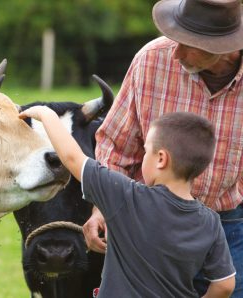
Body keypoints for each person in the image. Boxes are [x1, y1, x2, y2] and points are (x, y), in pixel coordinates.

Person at [82, 0, 243, 296]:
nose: (176, 52)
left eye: (189, 44)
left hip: (228, 225)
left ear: (224, 46)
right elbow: (116, 144)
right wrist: (102, 208)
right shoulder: (151, 60)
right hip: (147, 226)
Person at [18, 108, 236, 297]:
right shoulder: (211, 221)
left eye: (146, 151)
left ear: (161, 159)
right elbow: (225, 285)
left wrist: (46, 116)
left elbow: (73, 158)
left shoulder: (127, 197)